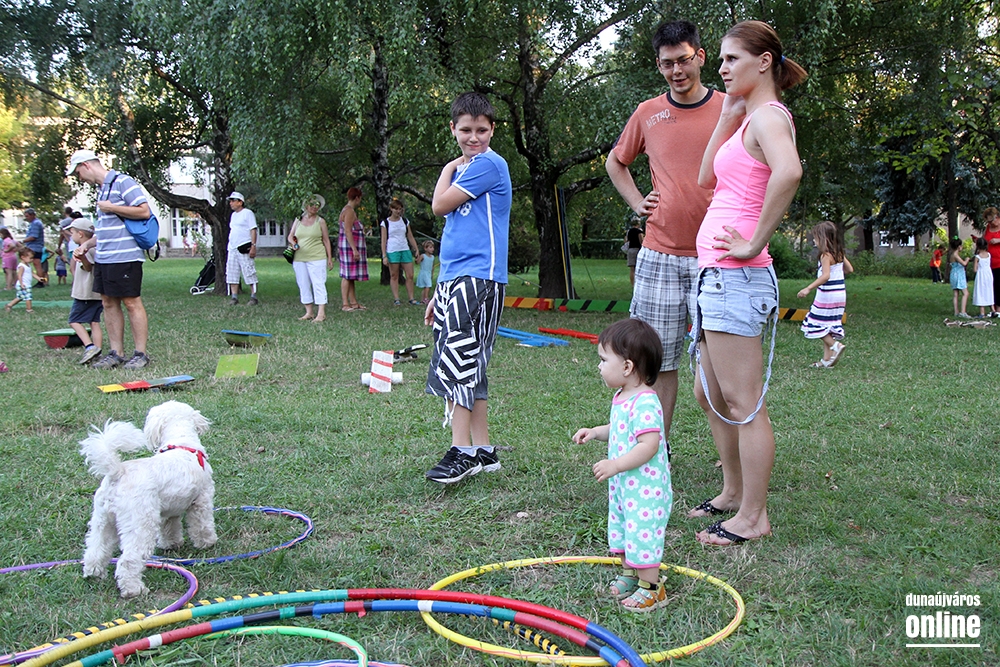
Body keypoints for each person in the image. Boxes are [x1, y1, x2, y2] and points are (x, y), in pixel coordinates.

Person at [688, 20, 806, 545]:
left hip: (738, 276)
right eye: (721, 59)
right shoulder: (748, 119)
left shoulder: (771, 116)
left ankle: (754, 517)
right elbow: (705, 179)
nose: (721, 68)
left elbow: (790, 172)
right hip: (716, 276)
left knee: (743, 401)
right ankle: (733, 492)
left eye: (731, 58)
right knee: (710, 392)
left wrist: (756, 240)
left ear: (764, 62)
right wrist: (726, 116)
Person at [606, 20, 724, 453]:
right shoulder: (647, 113)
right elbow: (616, 162)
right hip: (660, 256)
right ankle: (656, 449)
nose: (677, 71)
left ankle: (729, 458)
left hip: (717, 257)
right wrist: (638, 202)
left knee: (719, 369)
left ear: (701, 57)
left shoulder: (730, 108)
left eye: (684, 60)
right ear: (658, 65)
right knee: (657, 361)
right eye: (667, 63)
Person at [423, 92, 511, 484]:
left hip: (478, 277)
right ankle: (483, 449)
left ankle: (461, 451)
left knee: (459, 358)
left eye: (481, 130)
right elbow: (456, 233)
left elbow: (439, 206)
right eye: (465, 130)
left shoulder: (487, 164)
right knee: (472, 362)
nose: (473, 137)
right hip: (456, 277)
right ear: (453, 129)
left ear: (492, 130)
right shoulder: (469, 168)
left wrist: (448, 166)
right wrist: (440, 290)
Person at [572, 318, 672, 611]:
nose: (599, 366)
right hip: (626, 486)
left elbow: (649, 445)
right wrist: (595, 432)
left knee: (642, 534)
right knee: (623, 528)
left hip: (645, 489)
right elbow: (620, 429)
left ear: (627, 367)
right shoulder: (623, 397)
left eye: (604, 360)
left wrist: (615, 465)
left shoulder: (645, 402)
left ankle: (652, 588)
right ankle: (630, 574)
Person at [66, 149, 152, 369]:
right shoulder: (101, 190)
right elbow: (105, 229)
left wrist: (112, 207)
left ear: (86, 165)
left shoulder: (123, 181)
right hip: (104, 257)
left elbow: (144, 211)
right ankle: (116, 353)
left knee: (131, 302)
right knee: (108, 303)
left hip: (125, 256)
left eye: (78, 173)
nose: (79, 178)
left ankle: (140, 354)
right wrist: (86, 245)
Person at [797, 221, 853, 367]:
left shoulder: (825, 255)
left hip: (827, 295)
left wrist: (808, 288)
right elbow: (849, 269)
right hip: (840, 294)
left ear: (823, 238)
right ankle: (827, 360)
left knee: (814, 322)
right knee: (828, 325)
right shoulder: (839, 253)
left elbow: (825, 276)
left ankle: (835, 345)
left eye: (816, 238)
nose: (814, 241)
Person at [288, 194, 334, 322]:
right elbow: (290, 236)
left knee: (318, 283)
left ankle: (321, 313)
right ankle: (309, 312)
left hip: (317, 257)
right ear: (306, 206)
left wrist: (330, 258)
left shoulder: (321, 221)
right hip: (299, 257)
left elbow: (326, 240)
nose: (314, 207)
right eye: (312, 204)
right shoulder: (298, 220)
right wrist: (294, 244)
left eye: (317, 205)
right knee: (303, 283)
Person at [67, 219, 104, 365]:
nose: (71, 236)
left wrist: (82, 257)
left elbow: (88, 267)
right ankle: (98, 350)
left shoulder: (86, 250)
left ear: (80, 234)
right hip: (96, 293)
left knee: (74, 320)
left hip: (85, 294)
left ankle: (89, 346)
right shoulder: (94, 248)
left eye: (72, 233)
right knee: (94, 322)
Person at [379, 198, 422, 306]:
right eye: (396, 209)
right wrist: (384, 255)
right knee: (394, 275)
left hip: (405, 249)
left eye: (400, 209)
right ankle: (396, 298)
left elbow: (410, 236)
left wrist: (416, 249)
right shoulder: (385, 223)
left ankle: (411, 298)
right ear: (391, 209)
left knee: (410, 275)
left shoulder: (405, 221)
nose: (398, 211)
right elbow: (383, 240)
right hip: (392, 250)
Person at [226, 191, 259, 306]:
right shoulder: (233, 215)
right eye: (230, 201)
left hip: (244, 246)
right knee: (232, 273)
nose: (231, 203)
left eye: (233, 201)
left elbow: (253, 229)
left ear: (240, 202)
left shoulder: (247, 213)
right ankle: (234, 297)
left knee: (249, 271)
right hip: (232, 248)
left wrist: (253, 246)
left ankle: (253, 296)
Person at [338, 187, 368, 311]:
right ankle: (345, 304)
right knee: (346, 275)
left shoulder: (349, 210)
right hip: (348, 247)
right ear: (357, 198)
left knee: (351, 276)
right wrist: (354, 249)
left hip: (350, 246)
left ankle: (354, 302)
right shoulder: (349, 211)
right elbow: (347, 231)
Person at [5, 246, 41, 313]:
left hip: (26, 284)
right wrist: (21, 284)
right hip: (23, 285)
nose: (32, 259)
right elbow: (19, 275)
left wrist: (39, 278)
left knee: (20, 297)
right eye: (30, 258)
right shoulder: (22, 266)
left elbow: (32, 273)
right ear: (23, 257)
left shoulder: (28, 265)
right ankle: (29, 309)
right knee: (28, 297)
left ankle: (9, 305)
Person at [21, 208, 47, 287]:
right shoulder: (34, 223)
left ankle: (41, 282)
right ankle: (42, 281)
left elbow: (34, 236)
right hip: (35, 246)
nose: (26, 218)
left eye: (27, 216)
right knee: (37, 264)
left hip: (35, 247)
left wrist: (23, 241)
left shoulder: (36, 223)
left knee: (37, 264)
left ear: (32, 215)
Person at [983, 207, 1000, 315]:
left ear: (997, 217)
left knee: (999, 285)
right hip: (990, 262)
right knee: (991, 285)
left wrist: (998, 240)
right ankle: (993, 309)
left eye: (991, 221)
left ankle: (999, 309)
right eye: (988, 222)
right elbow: (985, 239)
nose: (990, 223)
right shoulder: (988, 228)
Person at [972, 236, 994, 318]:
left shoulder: (977, 257)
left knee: (980, 291)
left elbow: (975, 269)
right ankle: (993, 310)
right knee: (989, 290)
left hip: (981, 275)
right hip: (988, 274)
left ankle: (982, 312)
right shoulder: (989, 255)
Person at [949, 237, 970, 318]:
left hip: (953, 274)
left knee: (956, 294)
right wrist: (967, 259)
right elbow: (964, 264)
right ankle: (963, 312)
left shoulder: (952, 255)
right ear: (959, 247)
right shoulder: (956, 255)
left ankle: (956, 311)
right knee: (965, 293)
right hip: (959, 275)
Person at [624, 219, 644, 285]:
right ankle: (639, 283)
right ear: (638, 223)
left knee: (632, 269)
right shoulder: (639, 231)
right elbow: (641, 241)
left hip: (630, 250)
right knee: (639, 268)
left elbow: (626, 240)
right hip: (637, 250)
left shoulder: (629, 231)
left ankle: (633, 284)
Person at [416, 239, 436, 303]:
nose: (432, 249)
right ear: (425, 248)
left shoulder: (432, 257)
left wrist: (432, 274)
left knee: (426, 287)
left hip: (428, 273)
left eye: (432, 247)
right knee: (428, 285)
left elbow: (432, 266)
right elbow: (417, 262)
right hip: (424, 273)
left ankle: (423, 299)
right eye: (430, 247)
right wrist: (417, 258)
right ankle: (426, 298)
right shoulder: (423, 256)